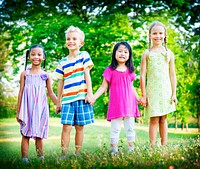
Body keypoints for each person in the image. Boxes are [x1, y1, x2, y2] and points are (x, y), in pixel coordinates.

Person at [92, 41, 140, 154]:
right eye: (119, 51)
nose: (122, 54)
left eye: (125, 52)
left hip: (129, 104)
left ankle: (131, 149)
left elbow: (131, 87)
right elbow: (103, 87)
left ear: (129, 55)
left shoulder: (130, 71)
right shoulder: (110, 70)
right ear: (114, 53)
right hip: (116, 105)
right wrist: (94, 97)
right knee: (115, 128)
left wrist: (138, 98)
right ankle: (114, 150)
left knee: (130, 127)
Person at [54, 26, 94, 158]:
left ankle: (77, 153)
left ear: (81, 43)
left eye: (74, 39)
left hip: (81, 97)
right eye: (68, 39)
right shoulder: (62, 62)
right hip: (67, 100)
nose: (71, 41)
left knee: (79, 127)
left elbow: (87, 75)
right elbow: (60, 82)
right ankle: (64, 153)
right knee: (66, 126)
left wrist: (90, 93)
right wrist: (58, 101)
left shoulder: (84, 56)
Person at [16, 44, 57, 163]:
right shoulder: (25, 74)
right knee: (25, 133)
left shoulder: (46, 75)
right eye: (33, 54)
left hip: (40, 108)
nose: (36, 57)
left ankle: (41, 158)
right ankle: (24, 159)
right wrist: (18, 111)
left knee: (39, 134)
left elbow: (51, 93)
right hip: (26, 108)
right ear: (29, 57)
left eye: (39, 54)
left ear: (43, 57)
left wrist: (58, 104)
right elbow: (20, 92)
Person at [140, 21, 178, 149]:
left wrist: (174, 94)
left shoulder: (169, 53)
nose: (158, 36)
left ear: (165, 35)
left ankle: (163, 147)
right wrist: (144, 95)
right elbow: (142, 75)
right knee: (154, 119)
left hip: (166, 91)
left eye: (160, 33)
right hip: (152, 91)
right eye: (155, 33)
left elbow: (172, 75)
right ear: (150, 35)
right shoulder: (147, 53)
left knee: (163, 119)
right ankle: (152, 147)